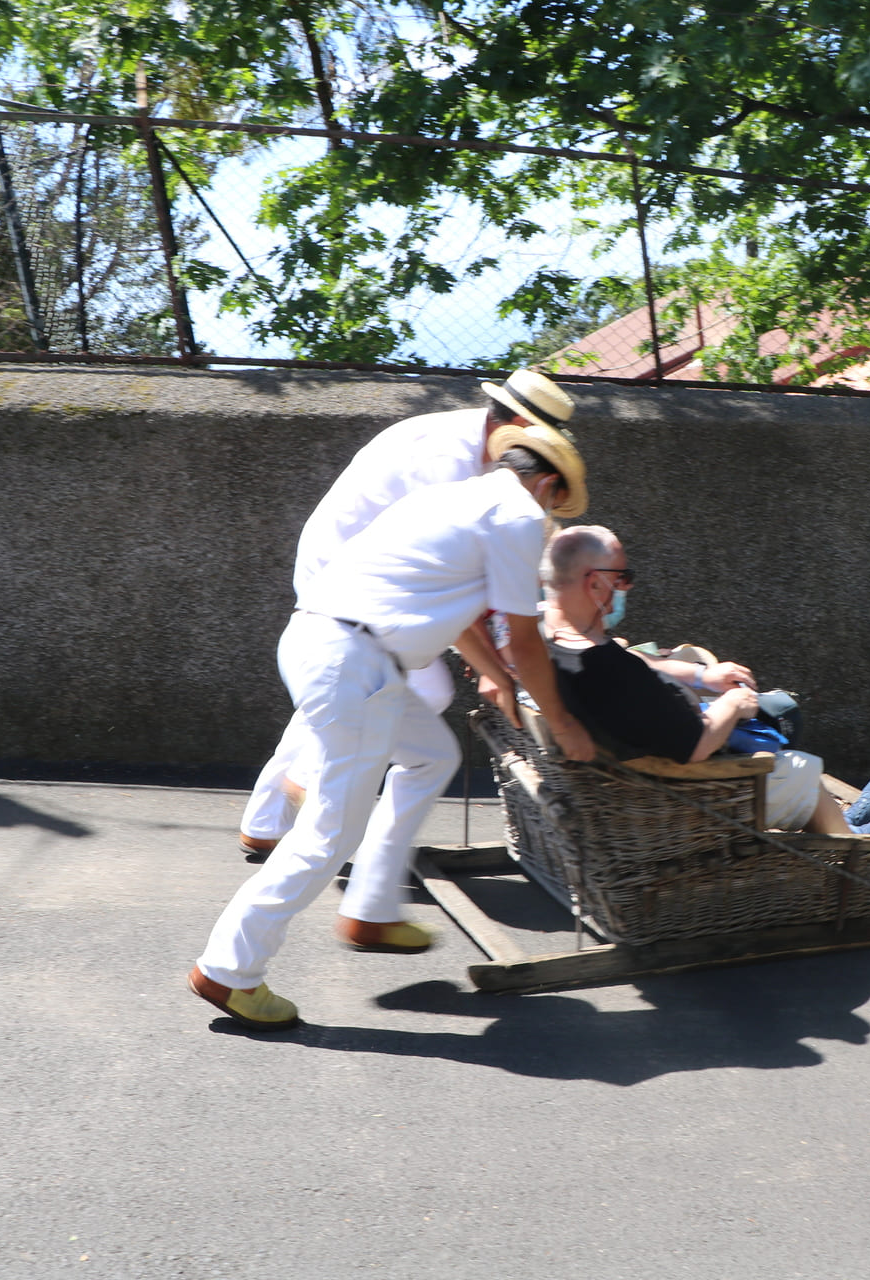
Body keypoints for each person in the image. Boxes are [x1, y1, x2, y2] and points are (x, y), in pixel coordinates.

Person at [190, 431, 597, 1029]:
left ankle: (372, 909)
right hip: (359, 665)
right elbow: (525, 636)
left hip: (330, 644)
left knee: (430, 755)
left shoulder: (453, 500)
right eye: (554, 508)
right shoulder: (515, 515)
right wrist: (560, 721)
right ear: (546, 484)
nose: (548, 520)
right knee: (329, 833)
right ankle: (230, 969)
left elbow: (459, 622)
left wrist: (501, 682)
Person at [238, 369, 577, 904]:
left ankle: (266, 818)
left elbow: (457, 575)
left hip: (363, 584)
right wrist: (497, 661)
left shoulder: (484, 457)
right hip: (348, 580)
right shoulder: (444, 457)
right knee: (412, 690)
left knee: (346, 694)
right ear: (517, 425)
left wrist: (492, 653)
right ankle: (318, 807)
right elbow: (444, 568)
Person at [537, 525, 870, 838]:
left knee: (769, 732)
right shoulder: (610, 668)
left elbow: (628, 659)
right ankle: (854, 841)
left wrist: (702, 676)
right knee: (799, 769)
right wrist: (733, 705)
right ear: (595, 584)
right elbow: (696, 747)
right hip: (686, 793)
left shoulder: (550, 640)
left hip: (634, 772)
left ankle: (845, 820)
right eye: (623, 577)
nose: (627, 588)